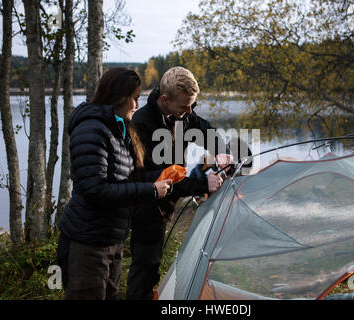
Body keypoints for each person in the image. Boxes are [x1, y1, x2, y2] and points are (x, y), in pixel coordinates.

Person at [56, 68, 172, 300]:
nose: (137, 105)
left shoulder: (118, 129)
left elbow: (125, 180)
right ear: (119, 96)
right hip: (87, 245)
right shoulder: (91, 129)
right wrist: (151, 191)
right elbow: (94, 189)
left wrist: (165, 176)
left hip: (111, 239)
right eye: (135, 98)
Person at [126, 66, 232, 300]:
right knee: (144, 267)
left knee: (152, 268)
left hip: (167, 202)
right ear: (165, 99)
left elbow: (205, 130)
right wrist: (201, 183)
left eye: (192, 105)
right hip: (146, 204)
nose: (189, 111)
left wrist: (222, 153)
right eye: (185, 106)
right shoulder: (141, 124)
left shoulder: (181, 113)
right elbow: (149, 178)